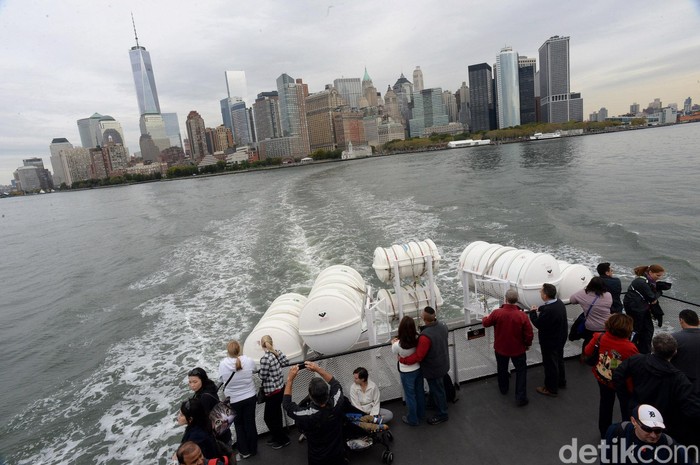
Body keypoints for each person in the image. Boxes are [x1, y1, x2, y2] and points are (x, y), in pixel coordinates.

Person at [613, 332, 700, 441]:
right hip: (662, 420)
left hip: (637, 409)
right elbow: (691, 407)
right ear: (675, 352)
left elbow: (618, 375)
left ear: (652, 347)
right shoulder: (678, 378)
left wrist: (626, 398)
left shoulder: (637, 360)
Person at [582, 313, 638, 437]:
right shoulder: (630, 347)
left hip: (603, 377)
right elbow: (635, 367)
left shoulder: (599, 337)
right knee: (626, 408)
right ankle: (626, 432)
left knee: (605, 404)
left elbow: (587, 351)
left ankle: (604, 431)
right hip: (622, 383)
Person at [283, 361, 345, 465]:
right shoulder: (337, 403)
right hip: (338, 454)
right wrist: (318, 369)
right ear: (327, 393)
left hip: (318, 459)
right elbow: (335, 384)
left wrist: (290, 380)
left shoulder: (308, 415)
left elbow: (287, 405)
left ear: (310, 396)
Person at [481, 289, 533, 407]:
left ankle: (503, 389)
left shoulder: (497, 313)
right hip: (518, 349)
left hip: (501, 348)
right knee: (521, 371)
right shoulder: (522, 315)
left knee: (502, 368)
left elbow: (486, 323)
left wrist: (485, 317)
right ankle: (520, 397)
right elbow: (529, 333)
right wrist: (527, 344)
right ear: (517, 300)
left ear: (505, 299)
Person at [398, 306, 450, 425]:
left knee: (438, 391)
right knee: (437, 389)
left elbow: (418, 356)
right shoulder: (443, 326)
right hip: (443, 363)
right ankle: (432, 404)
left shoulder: (425, 336)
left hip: (433, 369)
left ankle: (443, 414)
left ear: (424, 318)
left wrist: (403, 360)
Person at [602, 404, 690, 464]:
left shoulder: (673, 448)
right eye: (647, 429)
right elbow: (605, 458)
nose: (653, 435)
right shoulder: (617, 432)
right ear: (634, 421)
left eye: (658, 430)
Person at [218, 340, 257, 461]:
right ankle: (253, 450)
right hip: (250, 397)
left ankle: (244, 452)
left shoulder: (223, 364)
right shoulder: (248, 360)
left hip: (234, 400)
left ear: (228, 351)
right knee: (250, 423)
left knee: (239, 425)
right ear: (239, 349)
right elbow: (254, 370)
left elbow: (220, 378)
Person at [529, 283, 568, 397]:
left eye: (541, 291)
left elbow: (538, 324)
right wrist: (540, 308)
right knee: (559, 360)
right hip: (560, 338)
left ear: (545, 295)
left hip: (550, 342)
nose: (540, 293)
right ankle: (561, 381)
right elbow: (548, 308)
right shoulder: (559, 303)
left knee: (550, 365)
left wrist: (532, 313)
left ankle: (551, 389)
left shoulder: (549, 311)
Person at [671, 309, 700, 450]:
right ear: (698, 322)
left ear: (681, 321)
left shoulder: (674, 338)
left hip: (681, 386)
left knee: (681, 418)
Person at [257, 334, 291, 450]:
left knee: (269, 417)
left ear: (262, 345)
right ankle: (278, 436)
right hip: (280, 389)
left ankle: (282, 439)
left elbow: (262, 375)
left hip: (272, 392)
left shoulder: (265, 358)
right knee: (276, 415)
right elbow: (286, 362)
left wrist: (259, 373)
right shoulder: (277, 353)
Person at [623, 264, 665, 354]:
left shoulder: (646, 281)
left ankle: (643, 351)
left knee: (647, 330)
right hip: (636, 310)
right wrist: (659, 292)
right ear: (650, 272)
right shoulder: (641, 282)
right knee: (636, 330)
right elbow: (652, 298)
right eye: (657, 275)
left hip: (640, 308)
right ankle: (631, 350)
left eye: (660, 275)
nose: (659, 278)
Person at [391, 315, 425, 426]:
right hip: (418, 368)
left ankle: (413, 419)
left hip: (406, 372)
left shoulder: (398, 345)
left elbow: (393, 351)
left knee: (410, 396)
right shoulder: (418, 338)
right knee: (419, 392)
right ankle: (421, 414)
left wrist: (393, 342)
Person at [569, 276, 612, 350]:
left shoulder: (583, 294)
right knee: (603, 345)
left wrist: (584, 289)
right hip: (606, 325)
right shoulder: (608, 295)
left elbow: (572, 300)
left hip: (591, 327)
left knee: (588, 344)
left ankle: (585, 358)